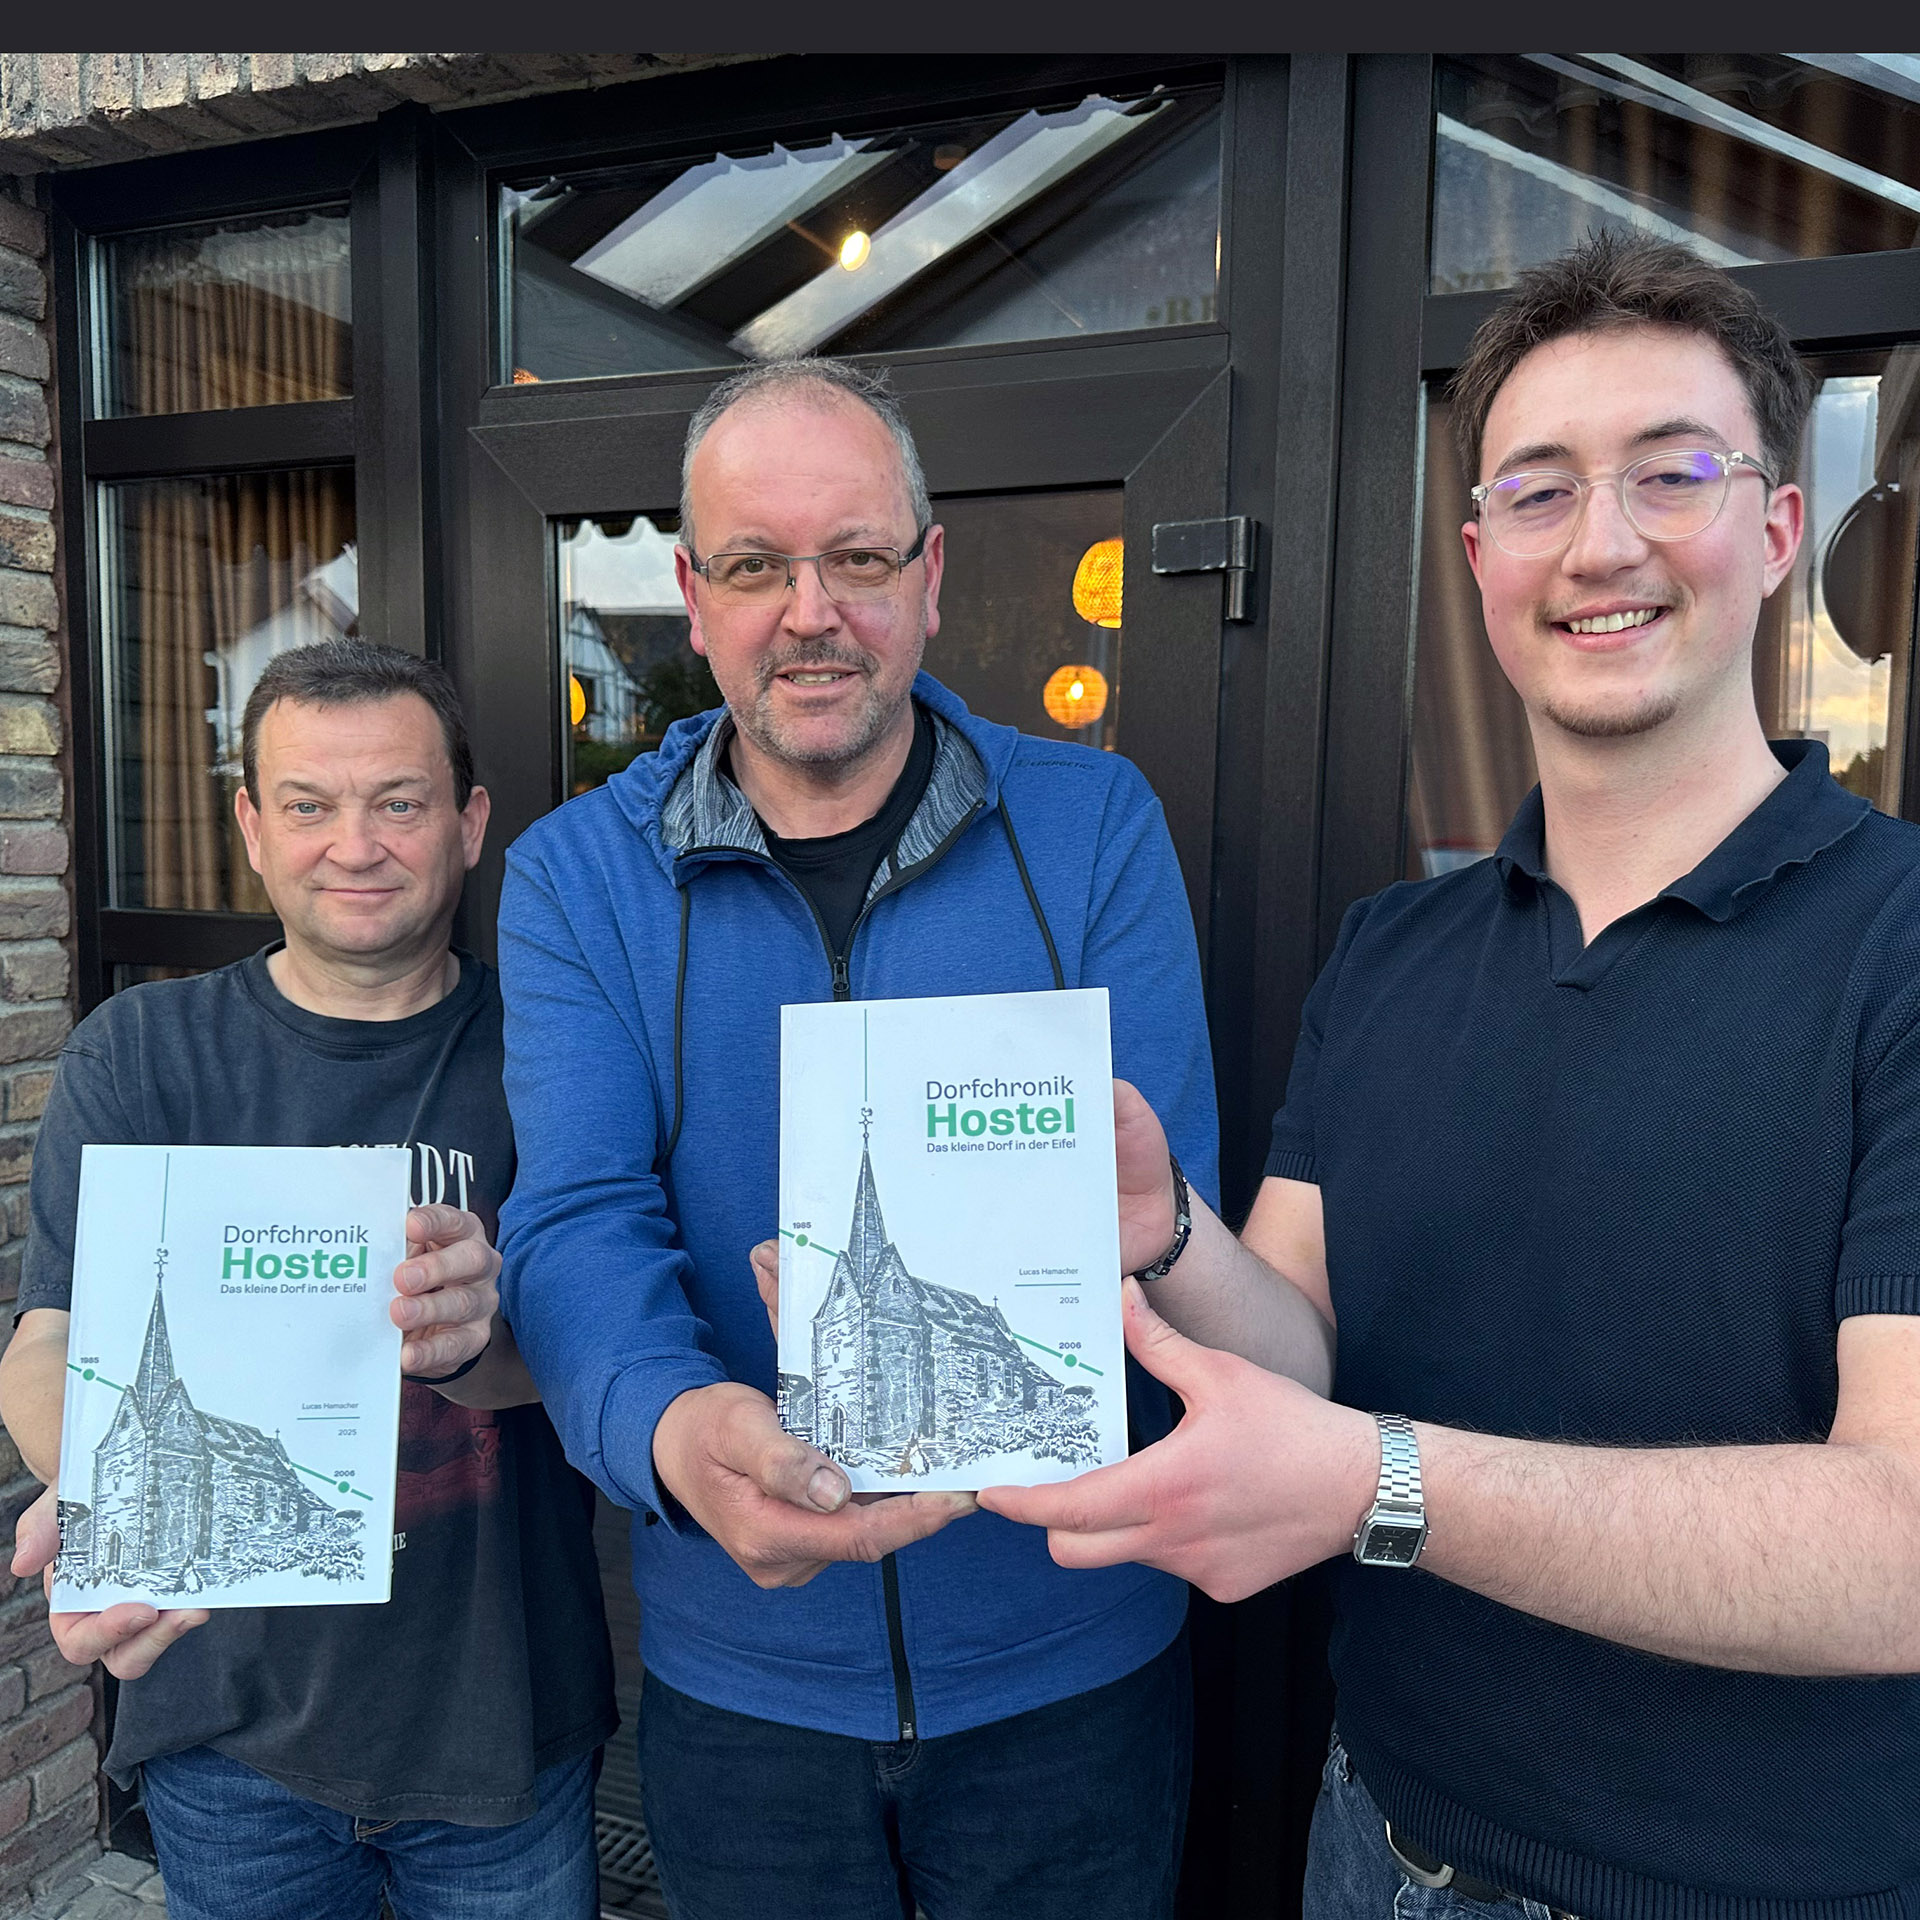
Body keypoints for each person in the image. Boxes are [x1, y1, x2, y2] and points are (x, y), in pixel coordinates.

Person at [982, 231, 1920, 1916]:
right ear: (1478, 551)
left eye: (1672, 474)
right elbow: (1300, 1340)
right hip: (1381, 1845)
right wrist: (1168, 1233)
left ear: (1777, 527)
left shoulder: (1901, 948)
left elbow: (1901, 1548)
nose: (1605, 543)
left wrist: (1377, 1485)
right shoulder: (1390, 955)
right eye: (1540, 492)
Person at [495, 356, 1218, 1920]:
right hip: (742, 1687)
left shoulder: (1093, 829)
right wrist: (676, 1437)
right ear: (692, 596)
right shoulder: (577, 879)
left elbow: (1177, 1215)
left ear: (930, 575)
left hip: (1073, 1659)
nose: (808, 608)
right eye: (755, 563)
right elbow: (576, 1220)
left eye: (859, 556)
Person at [0, 640, 615, 1920]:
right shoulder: (143, 1053)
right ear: (251, 828)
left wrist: (481, 1336)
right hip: (230, 1732)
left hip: (504, 1721)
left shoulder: (555, 1052)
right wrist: (109, 1490)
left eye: (398, 801)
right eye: (309, 804)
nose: (357, 844)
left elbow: (603, 1356)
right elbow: (46, 1341)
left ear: (469, 823)